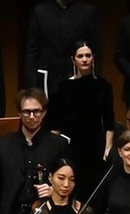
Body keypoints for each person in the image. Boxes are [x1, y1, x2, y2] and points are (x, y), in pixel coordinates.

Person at [0, 89, 72, 214]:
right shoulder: (3, 145)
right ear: (19, 113)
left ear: (44, 112)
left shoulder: (59, 144)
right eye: (27, 112)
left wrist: (54, 191)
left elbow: (70, 181)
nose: (32, 117)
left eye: (37, 111)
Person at [48, 40, 115, 202]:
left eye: (88, 55)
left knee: (93, 194)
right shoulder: (63, 86)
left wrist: (108, 148)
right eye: (80, 56)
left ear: (93, 58)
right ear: (73, 60)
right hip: (70, 146)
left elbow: (109, 121)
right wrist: (54, 150)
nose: (84, 59)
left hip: (95, 146)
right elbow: (55, 124)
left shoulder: (103, 85)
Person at [25, 0, 102, 95]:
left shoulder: (88, 12)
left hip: (78, 77)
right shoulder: (39, 12)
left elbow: (96, 50)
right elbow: (32, 51)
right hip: (48, 79)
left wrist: (95, 80)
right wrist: (32, 86)